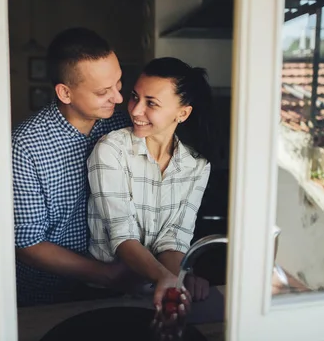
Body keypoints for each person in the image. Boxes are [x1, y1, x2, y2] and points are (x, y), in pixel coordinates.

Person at [12, 27, 132, 306]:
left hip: (117, 290)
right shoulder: (25, 147)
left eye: (118, 83)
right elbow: (27, 244)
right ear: (65, 93)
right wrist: (107, 275)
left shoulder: (121, 124)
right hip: (46, 296)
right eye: (103, 91)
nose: (118, 98)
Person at [87, 57, 215, 313]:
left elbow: (175, 238)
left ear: (183, 113)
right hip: (105, 293)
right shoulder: (110, 149)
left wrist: (172, 283)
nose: (134, 110)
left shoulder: (198, 165)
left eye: (151, 103)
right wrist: (166, 279)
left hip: (155, 288)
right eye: (135, 96)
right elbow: (122, 235)